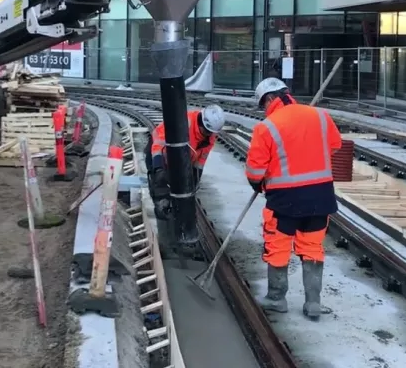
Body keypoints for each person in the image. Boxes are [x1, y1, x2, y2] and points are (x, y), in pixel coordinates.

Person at [245, 77, 342, 321]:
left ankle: (277, 299)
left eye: (263, 105)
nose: (264, 110)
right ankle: (313, 303)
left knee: (278, 248)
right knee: (312, 248)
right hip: (320, 196)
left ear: (269, 99)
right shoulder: (320, 116)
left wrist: (260, 182)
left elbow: (255, 171)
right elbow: (335, 145)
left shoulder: (266, 127)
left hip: (284, 201)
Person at [146, 105, 225, 215]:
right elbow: (158, 146)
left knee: (182, 188)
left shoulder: (209, 138)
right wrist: (158, 168)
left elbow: (200, 161)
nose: (210, 135)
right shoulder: (183, 123)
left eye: (211, 132)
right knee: (161, 183)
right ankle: (162, 212)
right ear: (202, 123)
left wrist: (194, 182)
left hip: (180, 160)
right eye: (208, 131)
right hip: (156, 151)